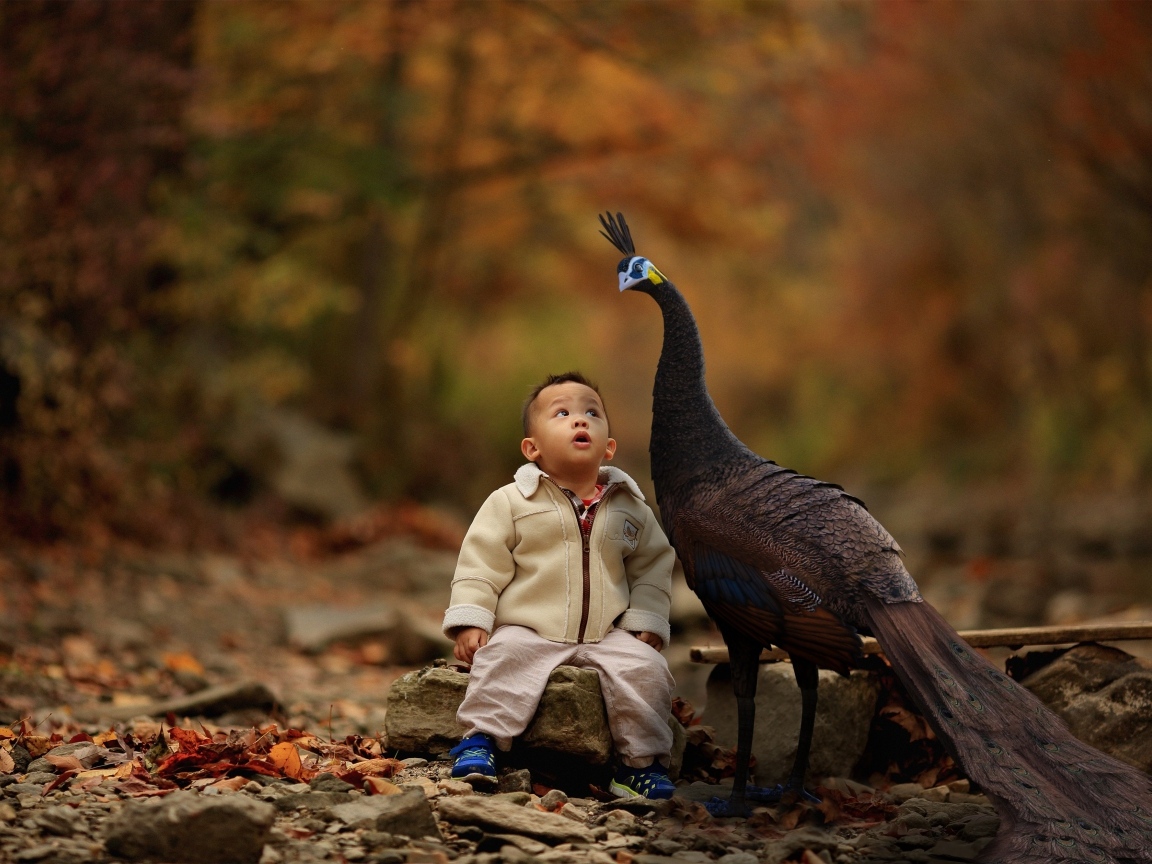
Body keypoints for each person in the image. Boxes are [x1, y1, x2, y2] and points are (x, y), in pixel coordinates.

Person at [441, 371, 679, 799]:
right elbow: (481, 561)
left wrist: (646, 618)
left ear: (609, 447)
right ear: (532, 449)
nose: (579, 420)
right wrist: (472, 618)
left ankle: (638, 766)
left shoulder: (631, 508)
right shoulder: (512, 501)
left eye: (592, 412)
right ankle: (481, 741)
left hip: (608, 633)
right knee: (501, 657)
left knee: (647, 671)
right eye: (563, 413)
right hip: (529, 627)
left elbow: (653, 565)